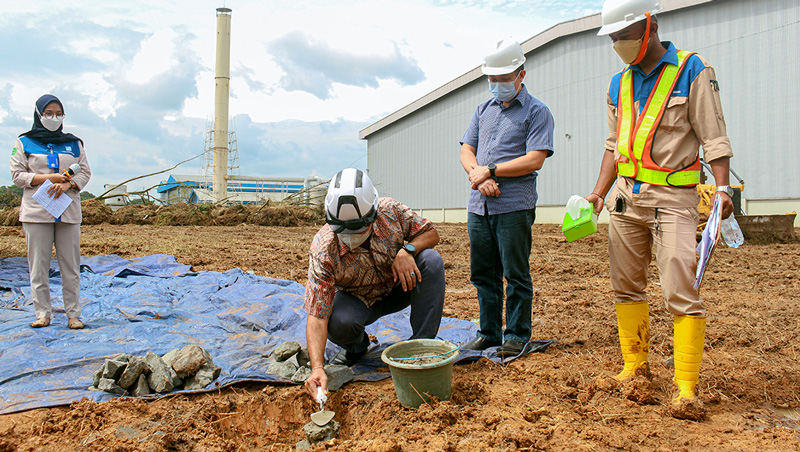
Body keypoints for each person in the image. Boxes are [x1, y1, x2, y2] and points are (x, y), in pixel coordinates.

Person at [585, 0, 734, 419]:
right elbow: (613, 146)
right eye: (612, 38)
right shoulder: (618, 83)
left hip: (674, 199)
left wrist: (722, 190)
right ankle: (635, 367)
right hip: (626, 197)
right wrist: (598, 194)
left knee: (680, 290)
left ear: (649, 26)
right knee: (625, 286)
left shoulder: (692, 69)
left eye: (624, 35)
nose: (618, 44)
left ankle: (686, 387)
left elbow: (714, 137)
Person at [303, 168, 445, 397]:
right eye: (343, 229)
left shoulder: (391, 212)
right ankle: (357, 347)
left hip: (400, 286)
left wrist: (407, 251)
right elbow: (317, 315)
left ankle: (422, 346)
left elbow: (431, 233)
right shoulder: (323, 249)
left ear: (374, 212)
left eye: (359, 227)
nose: (351, 236)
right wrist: (317, 367)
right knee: (338, 321)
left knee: (431, 261)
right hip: (357, 300)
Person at [458, 39, 554, 358]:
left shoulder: (537, 112)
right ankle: (488, 332)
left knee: (515, 273)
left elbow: (534, 159)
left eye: (504, 78)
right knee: (482, 273)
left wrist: (491, 171)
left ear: (520, 74)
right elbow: (466, 150)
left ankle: (516, 334)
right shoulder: (482, 110)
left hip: (514, 205)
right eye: (493, 79)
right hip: (479, 205)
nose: (497, 84)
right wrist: (478, 174)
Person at [10, 94, 92, 329]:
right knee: (38, 265)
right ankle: (43, 313)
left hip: (67, 211)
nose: (53, 118)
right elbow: (17, 176)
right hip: (37, 213)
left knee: (71, 265)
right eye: (48, 113)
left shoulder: (74, 143)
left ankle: (73, 314)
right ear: (38, 115)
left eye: (58, 114)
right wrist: (49, 178)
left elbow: (85, 172)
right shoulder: (24, 142)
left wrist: (68, 184)